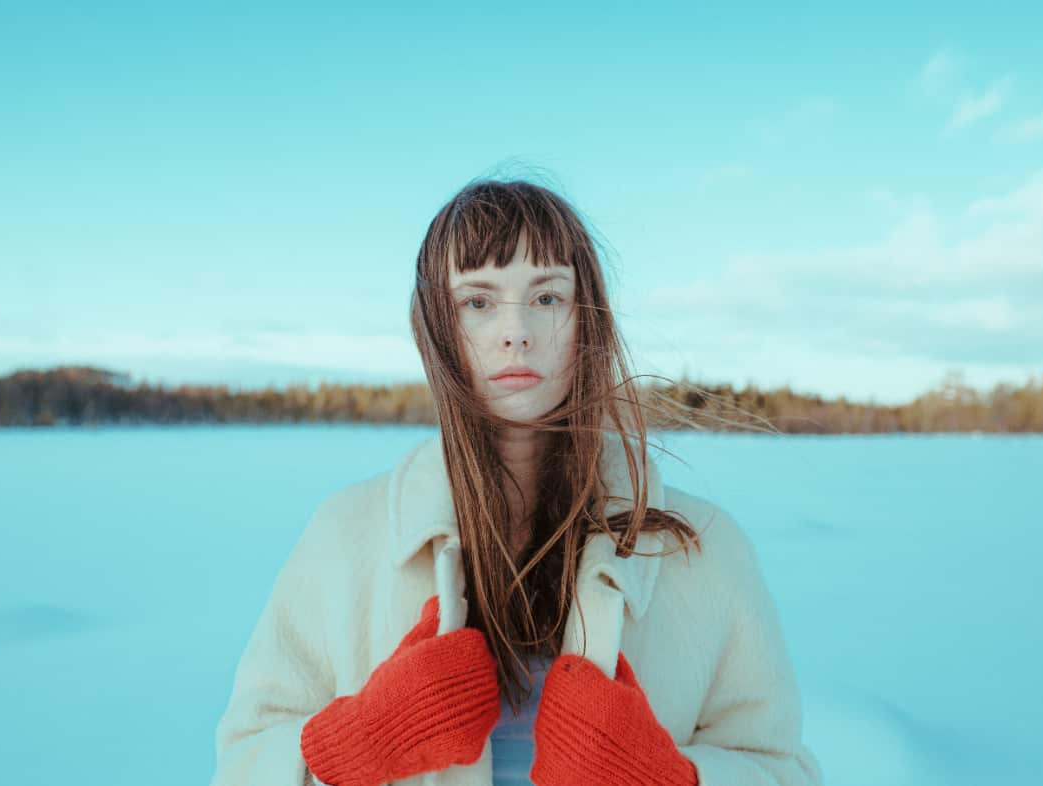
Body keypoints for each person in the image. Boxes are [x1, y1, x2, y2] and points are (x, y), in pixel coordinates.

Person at [208, 179, 824, 786]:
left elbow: (782, 768)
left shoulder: (703, 552)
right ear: (437, 329)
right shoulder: (345, 537)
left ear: (589, 320)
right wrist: (358, 744)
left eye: (547, 298)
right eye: (478, 302)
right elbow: (239, 765)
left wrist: (667, 780)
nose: (517, 332)